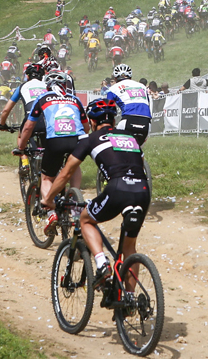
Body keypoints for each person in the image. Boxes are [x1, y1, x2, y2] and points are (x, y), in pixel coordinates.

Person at [41, 99, 150, 289]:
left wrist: (48, 198)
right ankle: (130, 301)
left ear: (91, 122)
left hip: (117, 189)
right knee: (129, 247)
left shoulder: (89, 139)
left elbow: (66, 173)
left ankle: (101, 264)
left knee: (85, 220)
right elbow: (139, 167)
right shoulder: (130, 137)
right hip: (142, 191)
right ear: (114, 122)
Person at [15, 70, 89, 234]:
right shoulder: (75, 99)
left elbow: (28, 127)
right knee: (74, 166)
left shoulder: (42, 98)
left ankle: (51, 212)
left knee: (47, 177)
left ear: (46, 86)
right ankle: (74, 199)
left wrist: (21, 148)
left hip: (55, 141)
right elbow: (86, 127)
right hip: (77, 140)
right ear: (65, 85)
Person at [0, 62, 47, 146]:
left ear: (27, 76)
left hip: (31, 119)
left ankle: (24, 158)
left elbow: (6, 109)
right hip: (47, 120)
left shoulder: (22, 86)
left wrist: (2, 124)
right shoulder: (48, 86)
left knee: (20, 137)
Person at [106, 64, 152, 146]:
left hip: (128, 119)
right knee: (138, 153)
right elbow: (147, 103)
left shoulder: (112, 88)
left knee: (115, 150)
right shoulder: (142, 86)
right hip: (146, 122)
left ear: (115, 78)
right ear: (130, 77)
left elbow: (109, 110)